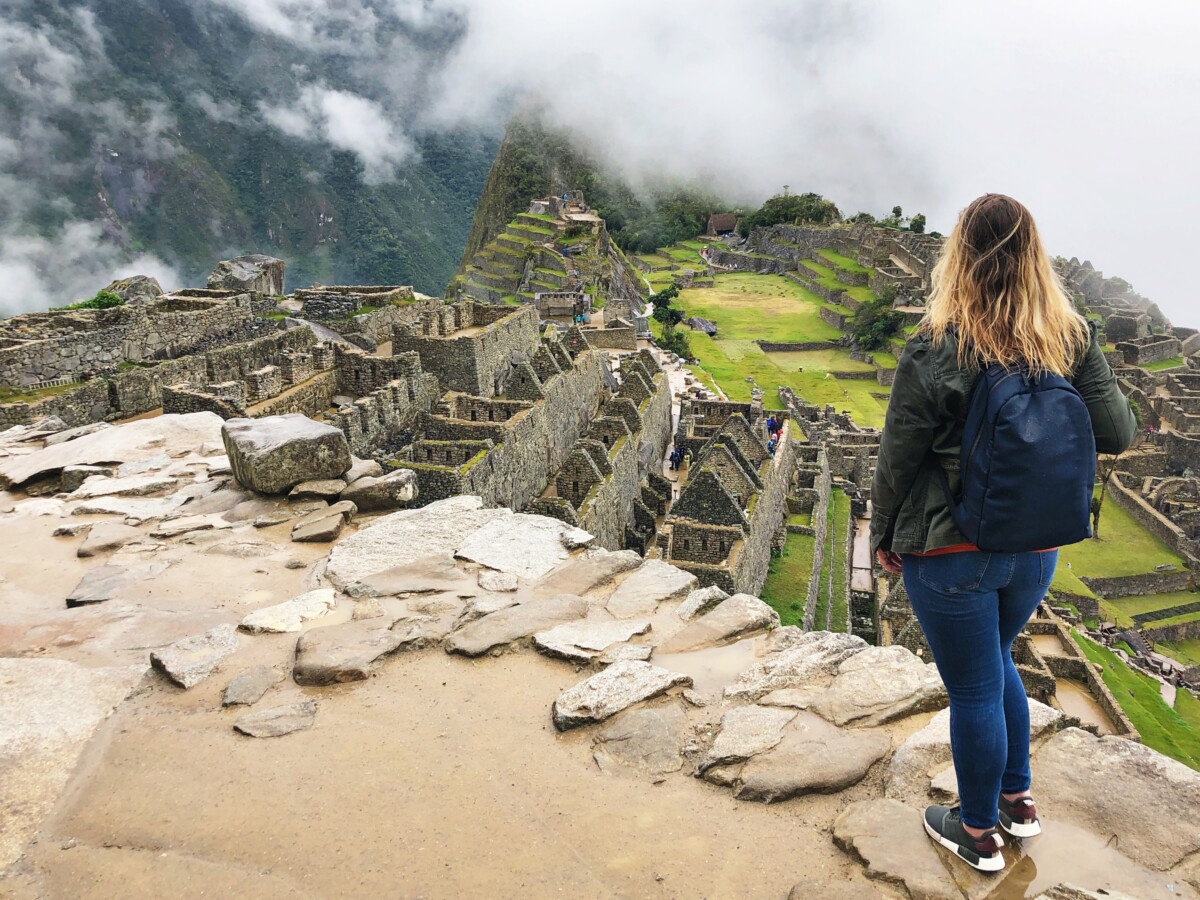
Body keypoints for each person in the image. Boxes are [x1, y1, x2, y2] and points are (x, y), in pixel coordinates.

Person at [870, 194, 1136, 873]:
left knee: (976, 690)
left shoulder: (936, 346)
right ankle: (1018, 799)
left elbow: (899, 458)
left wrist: (885, 534)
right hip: (1034, 548)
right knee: (995, 661)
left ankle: (979, 831)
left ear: (959, 255)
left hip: (953, 548)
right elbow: (1117, 432)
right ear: (1035, 257)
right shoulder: (1070, 338)